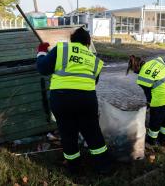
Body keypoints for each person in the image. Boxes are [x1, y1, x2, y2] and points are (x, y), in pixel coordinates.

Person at [36, 27, 110, 174]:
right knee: (93, 133)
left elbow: (43, 69)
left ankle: (74, 168)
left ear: (72, 39)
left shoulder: (62, 49)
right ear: (88, 43)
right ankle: (103, 167)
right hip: (86, 99)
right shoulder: (94, 60)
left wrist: (42, 51)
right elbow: (93, 82)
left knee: (68, 133)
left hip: (62, 99)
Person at [126, 55, 165, 147]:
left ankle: (151, 141)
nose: (135, 73)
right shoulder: (156, 61)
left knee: (155, 119)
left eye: (134, 71)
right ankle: (163, 138)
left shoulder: (142, 78)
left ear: (135, 69)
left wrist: (149, 105)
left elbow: (149, 96)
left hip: (164, 95)